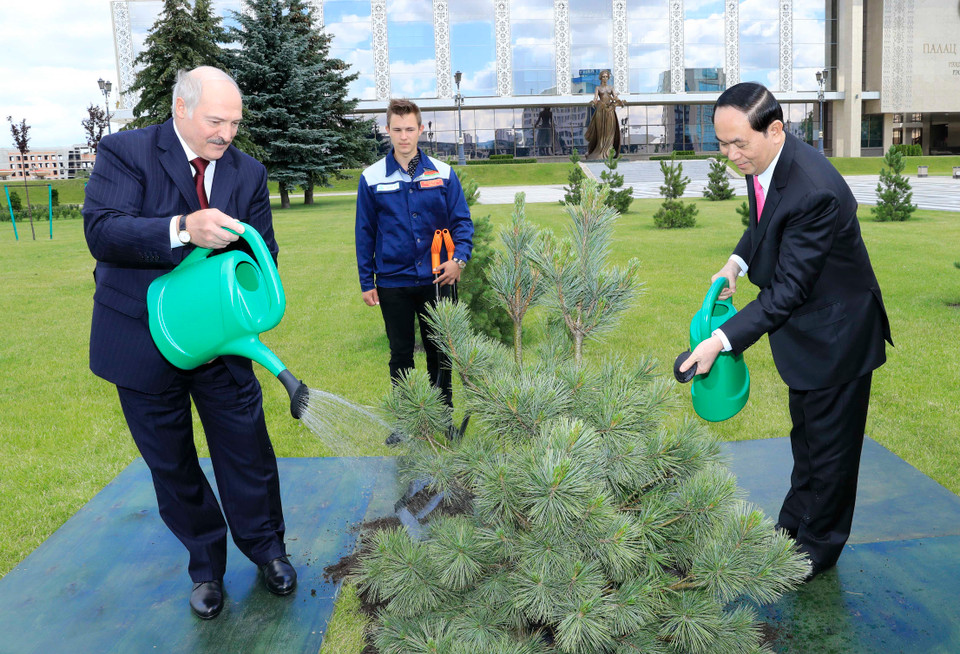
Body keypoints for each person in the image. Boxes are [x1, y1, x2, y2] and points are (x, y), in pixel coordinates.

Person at [83, 66, 296, 620]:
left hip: (219, 338)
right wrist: (182, 228)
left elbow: (263, 251)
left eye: (235, 123)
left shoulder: (247, 173)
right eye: (216, 121)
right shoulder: (126, 152)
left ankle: (268, 550)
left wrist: (247, 272)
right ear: (181, 108)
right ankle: (206, 566)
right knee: (172, 463)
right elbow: (102, 230)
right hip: (139, 338)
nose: (227, 134)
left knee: (247, 448)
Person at [679, 82, 892, 581]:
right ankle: (792, 531)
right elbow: (762, 223)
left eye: (739, 144)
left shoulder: (812, 190)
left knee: (831, 453)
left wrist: (720, 341)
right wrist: (734, 264)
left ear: (775, 130)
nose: (730, 156)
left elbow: (788, 292)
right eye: (722, 144)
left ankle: (818, 549)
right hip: (809, 335)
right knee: (809, 441)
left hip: (837, 338)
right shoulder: (771, 164)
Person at [355, 98, 473, 423]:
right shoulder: (372, 178)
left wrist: (458, 261)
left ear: (421, 130)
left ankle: (443, 417)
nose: (404, 136)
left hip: (438, 278)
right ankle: (408, 421)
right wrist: (368, 282)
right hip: (393, 282)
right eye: (397, 129)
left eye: (410, 129)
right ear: (387, 131)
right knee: (401, 355)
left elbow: (462, 222)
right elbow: (365, 233)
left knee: (440, 352)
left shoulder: (443, 174)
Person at [585, 70, 625, 160]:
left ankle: (608, 151)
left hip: (609, 111)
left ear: (608, 78)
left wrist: (620, 102)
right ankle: (599, 151)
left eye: (606, 76)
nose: (605, 78)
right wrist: (593, 102)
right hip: (601, 111)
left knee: (610, 132)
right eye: (603, 76)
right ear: (600, 78)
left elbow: (615, 97)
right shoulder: (598, 88)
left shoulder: (611, 88)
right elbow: (595, 98)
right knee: (601, 133)